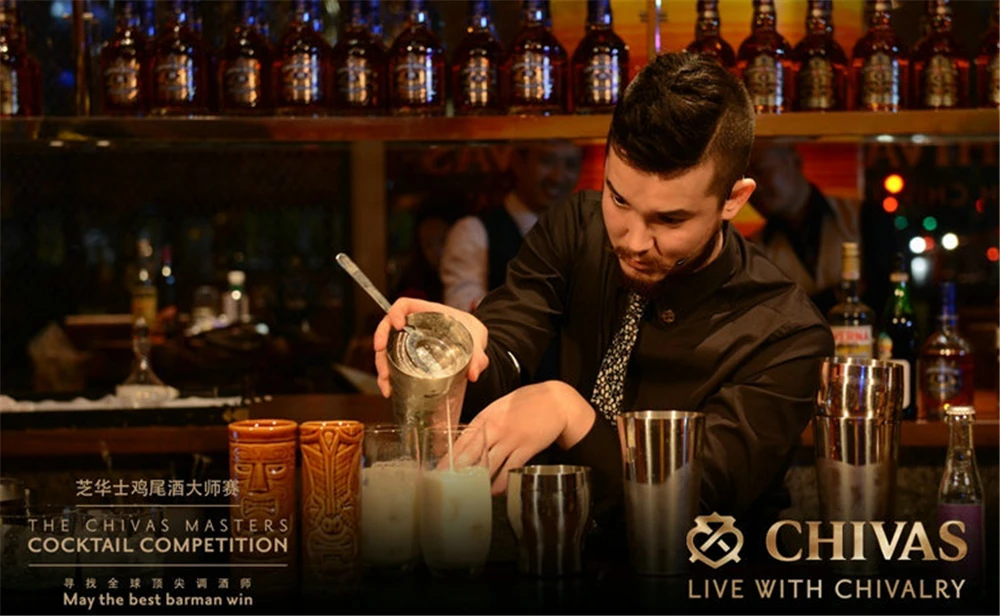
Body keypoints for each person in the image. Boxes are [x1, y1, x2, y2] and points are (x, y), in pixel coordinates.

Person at [373, 53, 834, 552]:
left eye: (670, 220)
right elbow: (507, 346)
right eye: (619, 199)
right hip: (555, 560)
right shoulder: (576, 228)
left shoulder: (786, 336)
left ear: (733, 200)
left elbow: (701, 501)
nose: (633, 241)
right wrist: (459, 348)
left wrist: (570, 414)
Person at [746, 143, 897, 316]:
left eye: (759, 171)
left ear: (795, 160)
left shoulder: (865, 217)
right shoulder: (752, 248)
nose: (751, 187)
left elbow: (886, 300)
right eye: (742, 178)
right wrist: (834, 296)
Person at [439, 140, 583, 313]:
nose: (558, 177)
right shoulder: (473, 231)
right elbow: (462, 311)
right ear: (518, 162)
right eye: (547, 161)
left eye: (570, 165)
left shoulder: (581, 234)